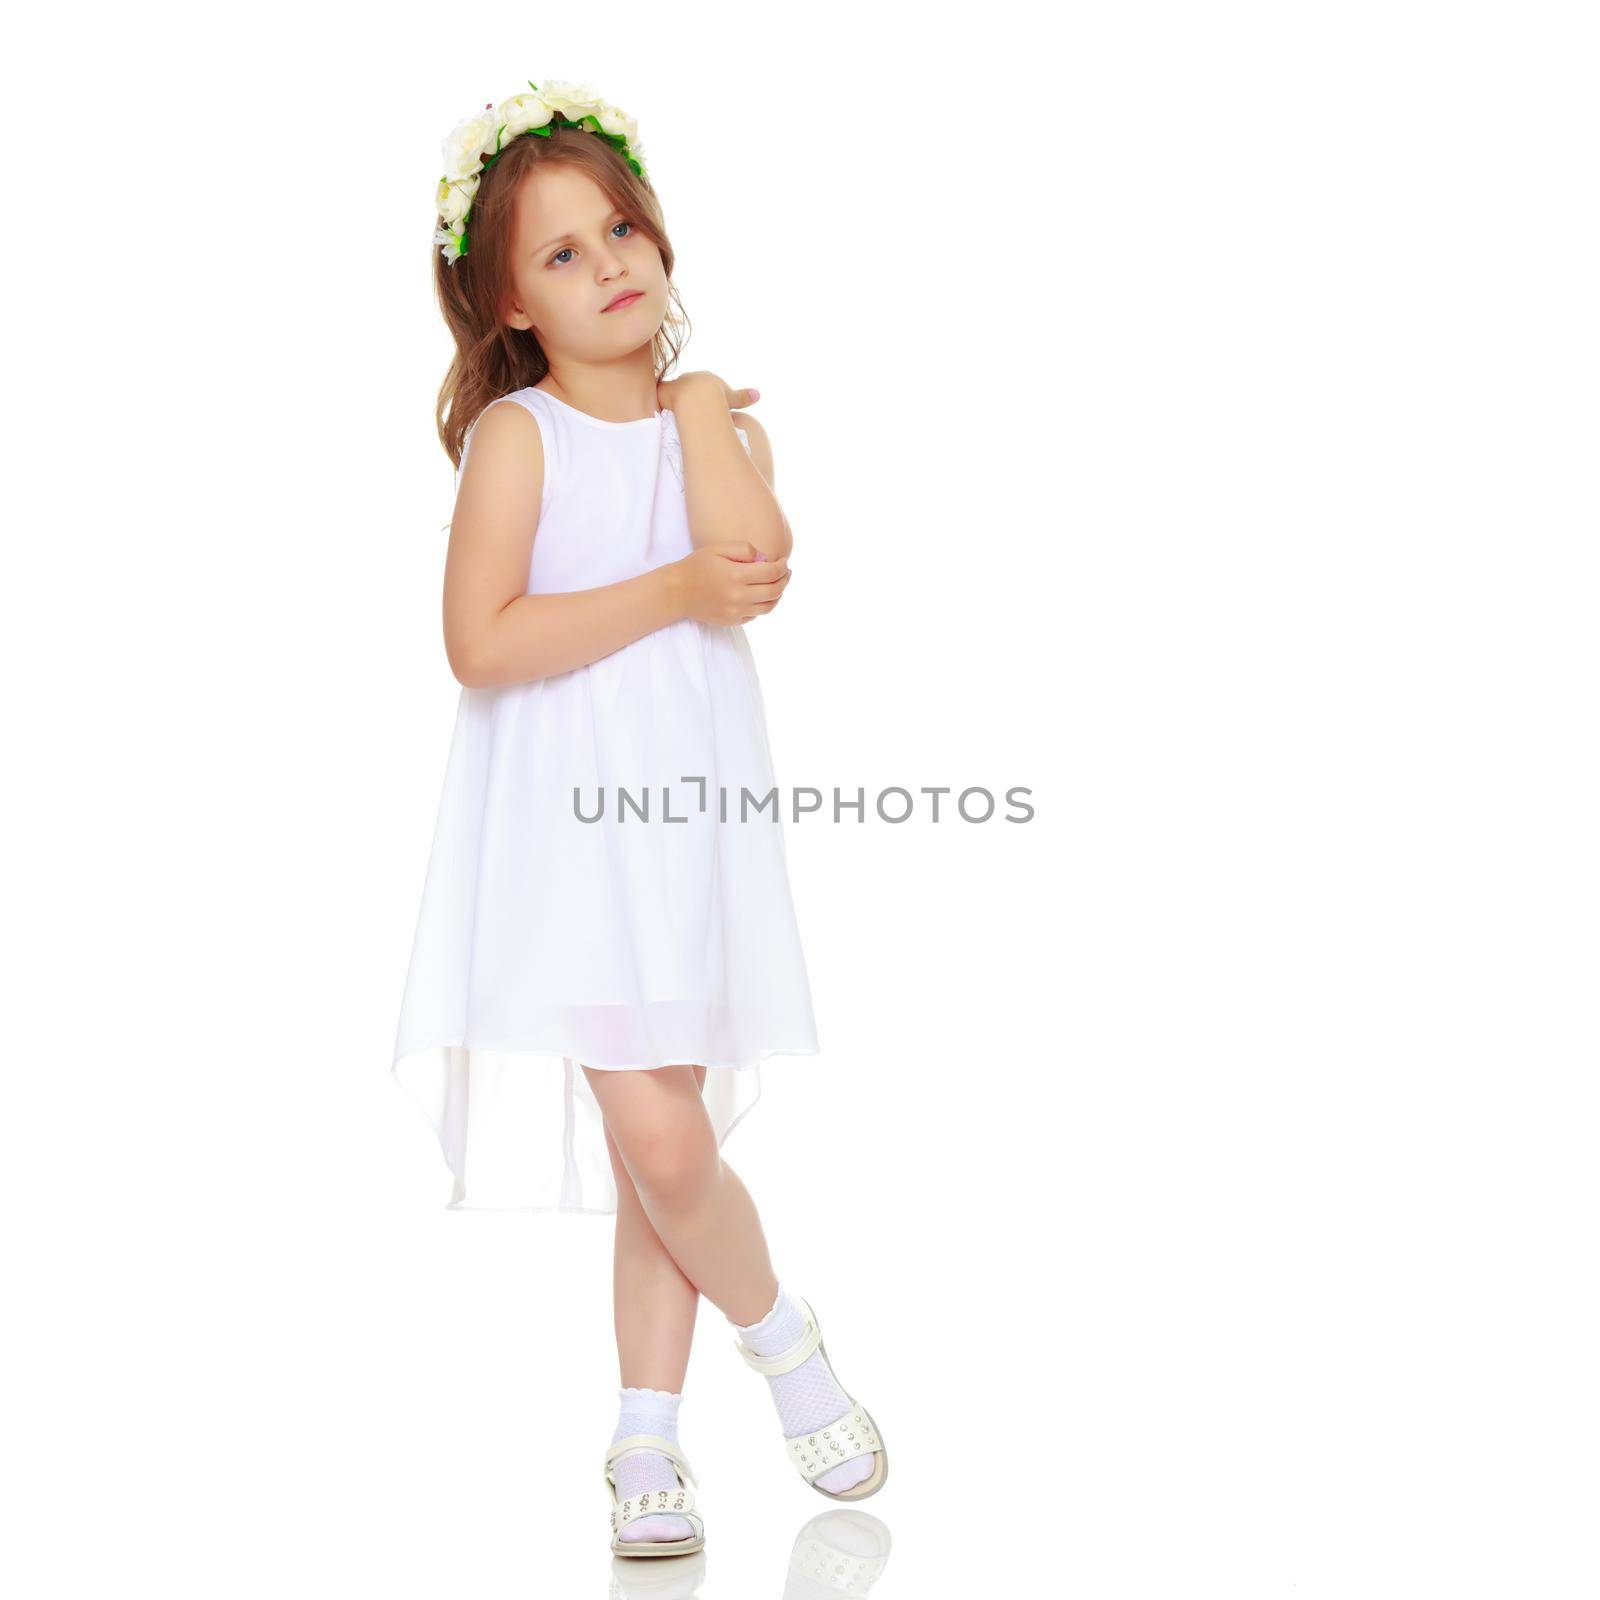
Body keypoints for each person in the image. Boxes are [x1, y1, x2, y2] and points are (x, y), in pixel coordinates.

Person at [392, 80, 888, 1557]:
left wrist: (692, 409)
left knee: (651, 1154)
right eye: (560, 254)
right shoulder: (520, 440)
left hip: (688, 826)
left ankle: (645, 1439)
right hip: (565, 840)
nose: (610, 262)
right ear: (509, 308)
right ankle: (786, 1339)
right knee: (667, 1146)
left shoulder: (704, 420)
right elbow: (483, 642)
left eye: (621, 228)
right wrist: (671, 591)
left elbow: (754, 553)